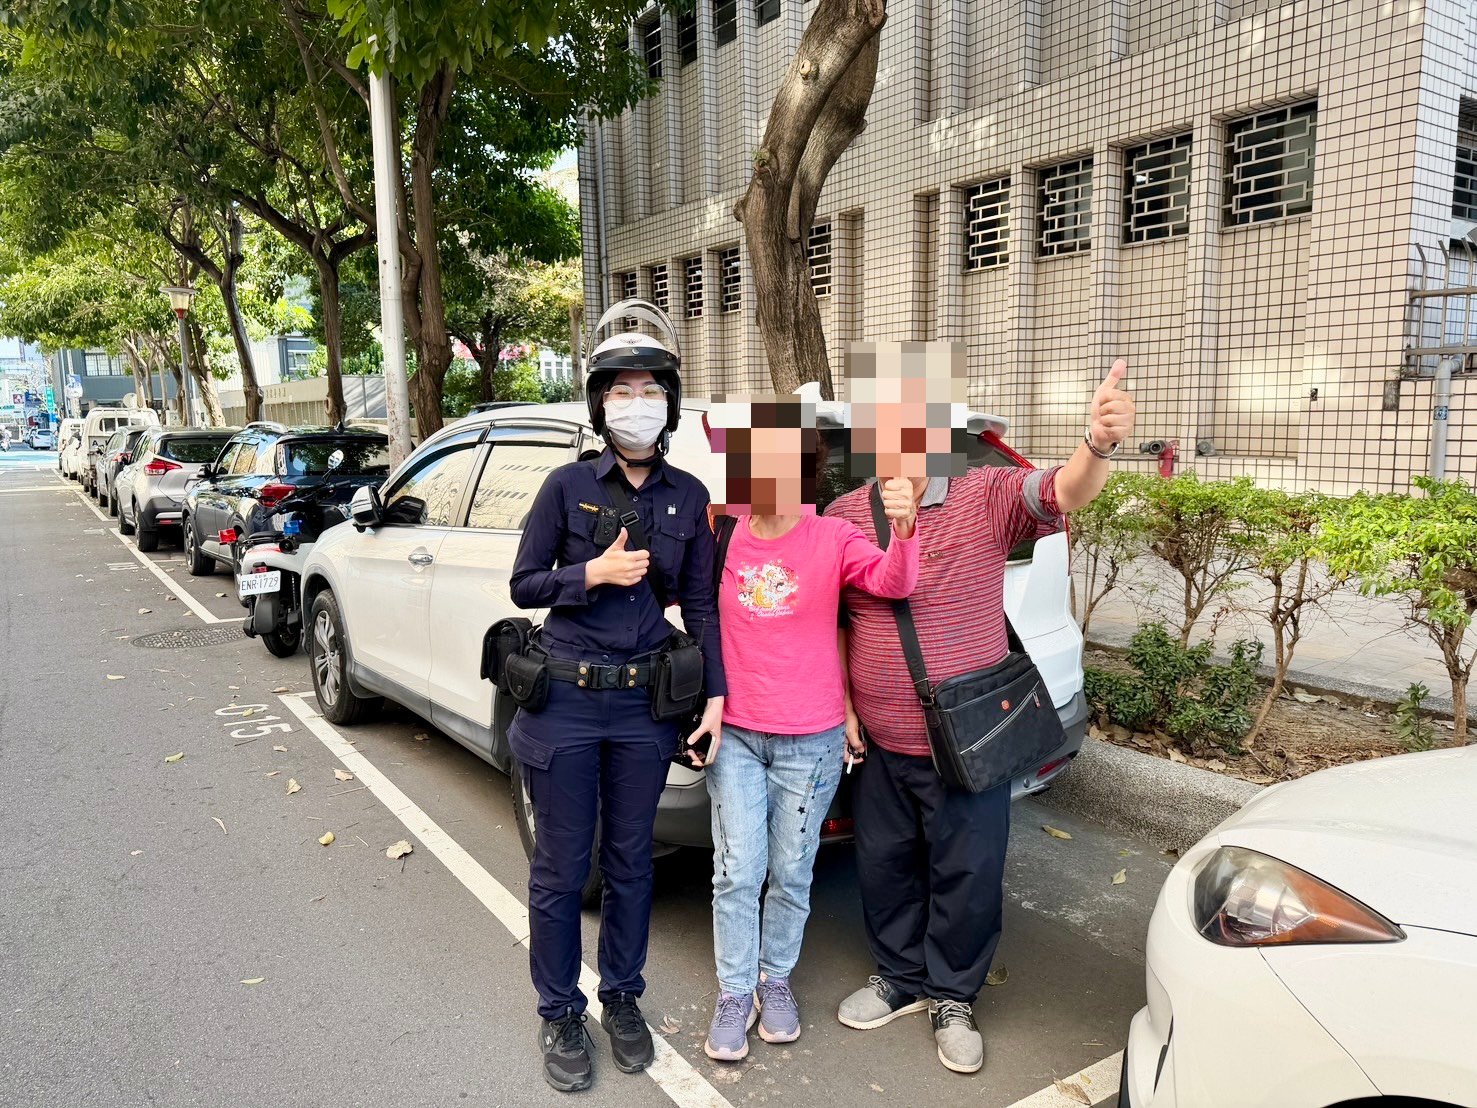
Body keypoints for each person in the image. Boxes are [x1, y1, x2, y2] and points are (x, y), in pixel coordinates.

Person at [825, 351, 1136, 1075]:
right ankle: (898, 977)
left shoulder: (984, 495)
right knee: (883, 866)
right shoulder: (844, 514)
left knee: (967, 873)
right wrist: (843, 706)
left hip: (966, 739)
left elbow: (1062, 491)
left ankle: (953, 996)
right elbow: (838, 620)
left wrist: (1095, 444)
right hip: (880, 739)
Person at [507, 300, 726, 1094]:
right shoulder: (565, 488)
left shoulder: (686, 496)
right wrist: (589, 575)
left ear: (668, 401)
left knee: (634, 864)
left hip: (641, 711)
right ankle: (559, 1010)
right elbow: (524, 583)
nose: (636, 402)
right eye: (620, 390)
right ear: (600, 404)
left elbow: (699, 604)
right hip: (565, 704)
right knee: (563, 868)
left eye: (650, 389)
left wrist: (716, 695)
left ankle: (622, 998)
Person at [698, 395, 921, 1063]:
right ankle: (735, 991)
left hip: (811, 741)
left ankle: (775, 980)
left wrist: (905, 530)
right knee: (738, 871)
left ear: (803, 471)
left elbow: (892, 583)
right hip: (734, 733)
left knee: (792, 874)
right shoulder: (721, 533)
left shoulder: (831, 537)